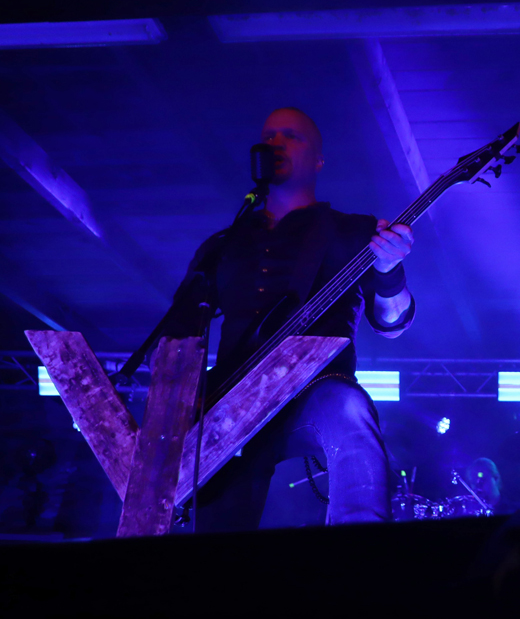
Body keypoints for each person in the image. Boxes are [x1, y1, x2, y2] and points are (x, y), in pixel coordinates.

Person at [165, 107, 416, 532]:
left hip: (317, 387)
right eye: (269, 135)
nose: (275, 142)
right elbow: (179, 333)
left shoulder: (353, 232)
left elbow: (392, 323)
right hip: (232, 401)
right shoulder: (223, 244)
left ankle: (364, 555)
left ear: (318, 160)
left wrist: (390, 271)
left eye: (291, 136)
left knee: (350, 410)